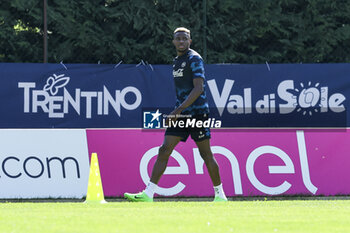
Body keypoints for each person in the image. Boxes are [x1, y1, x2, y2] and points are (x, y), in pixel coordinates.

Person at [124, 27, 227, 202]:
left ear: (190, 41)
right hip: (180, 115)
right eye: (178, 38)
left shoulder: (194, 59)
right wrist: (179, 111)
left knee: (206, 154)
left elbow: (199, 88)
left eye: (184, 39)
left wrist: (177, 111)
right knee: (164, 150)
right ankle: (148, 194)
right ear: (173, 41)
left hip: (197, 114)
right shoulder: (176, 61)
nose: (181, 41)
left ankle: (220, 195)